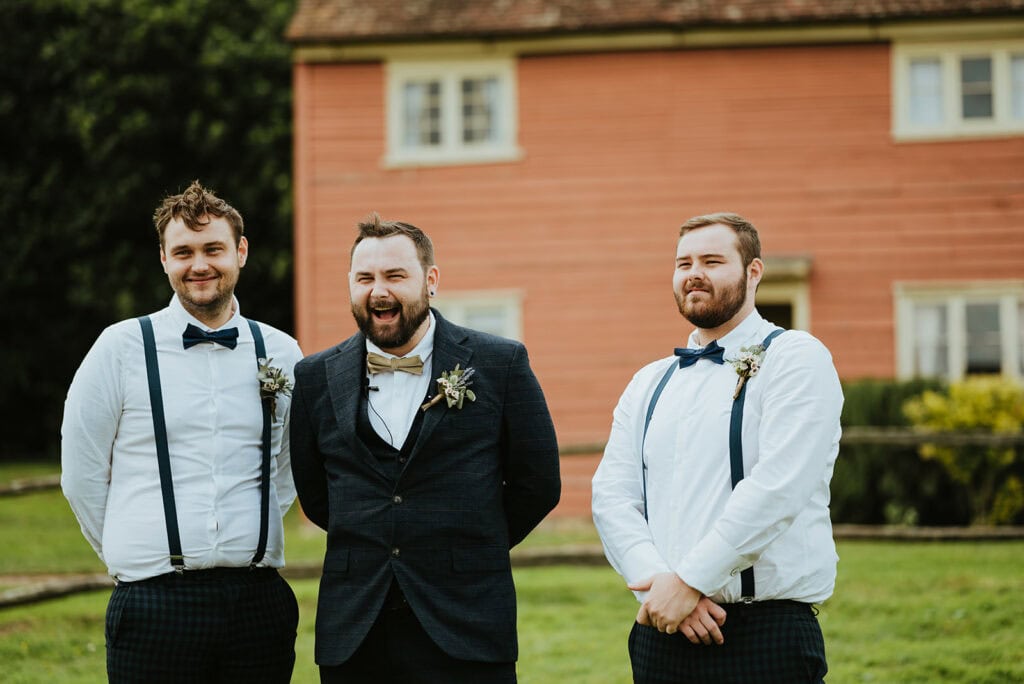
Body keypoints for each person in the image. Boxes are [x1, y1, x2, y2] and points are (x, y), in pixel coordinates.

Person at [289, 213, 561, 683]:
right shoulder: (314, 377)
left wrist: (471, 544)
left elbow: (538, 483)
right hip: (356, 631)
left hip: (468, 622)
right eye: (365, 278)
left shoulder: (500, 362)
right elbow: (315, 494)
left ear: (430, 280)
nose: (380, 291)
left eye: (395, 276)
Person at [60, 181, 302, 683]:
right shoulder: (120, 348)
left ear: (241, 252)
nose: (200, 265)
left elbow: (287, 464)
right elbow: (81, 472)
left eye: (213, 249)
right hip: (152, 602)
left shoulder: (281, 351)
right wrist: (134, 549)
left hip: (257, 603)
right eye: (183, 252)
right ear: (164, 260)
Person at [592, 212, 843, 683]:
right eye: (683, 262)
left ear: (753, 272)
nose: (694, 274)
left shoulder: (796, 358)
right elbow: (612, 496)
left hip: (764, 633)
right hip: (660, 632)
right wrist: (659, 589)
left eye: (712, 260)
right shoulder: (650, 381)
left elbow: (778, 487)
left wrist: (691, 581)